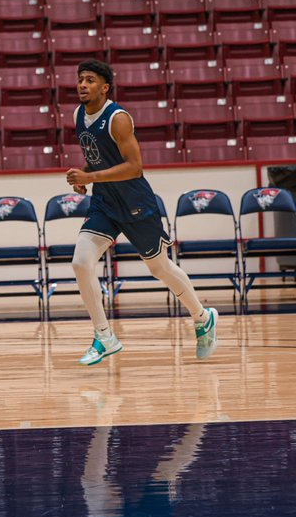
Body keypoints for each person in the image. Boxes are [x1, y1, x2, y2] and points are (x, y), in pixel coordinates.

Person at [64, 59, 219, 366]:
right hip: (105, 202)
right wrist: (84, 176)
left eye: (90, 80)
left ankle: (203, 318)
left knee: (160, 268)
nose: (82, 84)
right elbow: (99, 160)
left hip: (135, 202)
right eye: (80, 79)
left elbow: (135, 168)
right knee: (81, 262)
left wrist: (90, 177)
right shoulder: (78, 114)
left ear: (105, 87)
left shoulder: (118, 118)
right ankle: (104, 336)